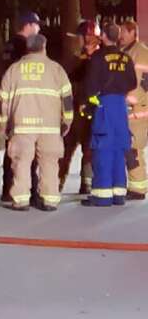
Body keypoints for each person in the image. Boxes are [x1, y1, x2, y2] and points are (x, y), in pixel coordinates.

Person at [0, 34, 73, 211]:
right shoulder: (56, 70)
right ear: (44, 46)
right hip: (50, 126)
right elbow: (67, 99)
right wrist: (67, 121)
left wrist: (3, 124)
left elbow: (3, 100)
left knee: (21, 162)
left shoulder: (13, 70)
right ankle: (50, 200)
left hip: (22, 125)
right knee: (49, 162)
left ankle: (21, 200)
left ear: (27, 48)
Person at [82, 22, 137, 206]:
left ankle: (102, 195)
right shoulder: (126, 58)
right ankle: (119, 193)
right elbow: (132, 83)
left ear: (104, 36)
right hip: (120, 107)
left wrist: (89, 104)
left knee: (102, 149)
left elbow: (90, 86)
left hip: (104, 106)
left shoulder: (98, 57)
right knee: (119, 148)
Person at [0, 10, 42, 202]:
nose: (39, 28)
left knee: (12, 148)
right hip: (24, 103)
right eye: (36, 25)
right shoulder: (25, 48)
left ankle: (8, 189)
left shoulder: (9, 45)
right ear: (28, 25)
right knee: (27, 149)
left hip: (11, 103)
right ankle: (29, 190)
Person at [58, 20, 101, 194]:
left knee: (88, 148)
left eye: (80, 37)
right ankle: (56, 184)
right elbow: (69, 75)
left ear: (88, 37)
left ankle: (86, 183)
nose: (77, 41)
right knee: (67, 148)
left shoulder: (98, 59)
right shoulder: (80, 57)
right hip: (75, 109)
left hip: (90, 110)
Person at [120, 20, 148, 200]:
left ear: (132, 32)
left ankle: (138, 188)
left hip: (137, 108)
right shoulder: (132, 51)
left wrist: (127, 100)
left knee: (134, 148)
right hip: (135, 107)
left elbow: (138, 84)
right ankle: (137, 185)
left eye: (123, 32)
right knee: (131, 147)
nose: (120, 36)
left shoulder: (138, 53)